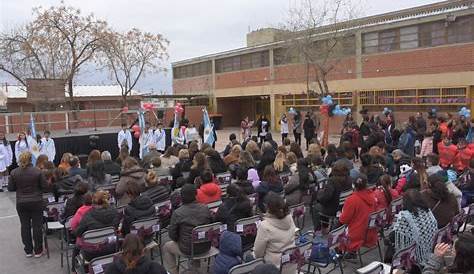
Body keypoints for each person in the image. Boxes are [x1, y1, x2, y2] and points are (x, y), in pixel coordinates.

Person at [162, 184, 212, 274]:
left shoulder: (178, 213)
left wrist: (181, 238)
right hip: (205, 245)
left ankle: (173, 272)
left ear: (181, 197)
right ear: (196, 194)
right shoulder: (205, 208)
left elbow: (172, 235)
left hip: (188, 248)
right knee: (195, 239)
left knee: (166, 247)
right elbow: (210, 226)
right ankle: (195, 269)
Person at [8, 151, 48, 257]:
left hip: (21, 202)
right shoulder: (38, 171)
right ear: (31, 159)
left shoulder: (14, 172)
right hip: (36, 201)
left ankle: (28, 251)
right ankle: (38, 251)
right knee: (37, 226)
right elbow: (45, 187)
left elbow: (10, 188)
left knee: (25, 226)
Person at [392, 189, 438, 266]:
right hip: (431, 250)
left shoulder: (404, 216)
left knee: (390, 240)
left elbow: (396, 236)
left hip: (415, 256)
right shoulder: (427, 211)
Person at [254, 192, 296, 273]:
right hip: (292, 264)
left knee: (249, 257)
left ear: (267, 207)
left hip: (274, 268)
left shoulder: (264, 226)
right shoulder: (290, 217)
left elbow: (258, 254)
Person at [74, 191, 121, 263]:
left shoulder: (88, 215)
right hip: (112, 249)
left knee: (78, 244)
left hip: (92, 254)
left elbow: (78, 233)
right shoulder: (115, 211)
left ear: (93, 202)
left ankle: (74, 269)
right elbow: (116, 226)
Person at [339, 175, 377, 256]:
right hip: (370, 231)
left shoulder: (352, 199)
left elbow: (343, 220)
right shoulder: (373, 195)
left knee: (337, 226)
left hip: (356, 234)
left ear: (353, 185)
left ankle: (340, 252)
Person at [312, 162, 353, 231]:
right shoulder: (349, 180)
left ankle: (318, 230)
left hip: (334, 209)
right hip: (345, 207)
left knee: (315, 206)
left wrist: (319, 197)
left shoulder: (332, 181)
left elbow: (326, 197)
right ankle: (325, 226)